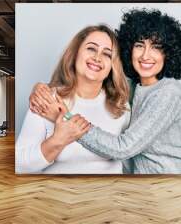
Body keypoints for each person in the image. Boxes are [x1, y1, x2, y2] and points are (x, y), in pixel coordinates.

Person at [31, 9, 181, 174]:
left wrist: (65, 118)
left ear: (169, 54)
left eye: (156, 47)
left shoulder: (169, 93)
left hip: (178, 183)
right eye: (139, 45)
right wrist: (43, 89)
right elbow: (93, 78)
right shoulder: (134, 87)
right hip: (149, 188)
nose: (145, 55)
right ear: (129, 49)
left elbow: (123, 148)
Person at [16, 24, 131, 174]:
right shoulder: (47, 99)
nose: (97, 57)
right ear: (76, 53)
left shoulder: (121, 106)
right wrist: (57, 141)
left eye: (107, 54)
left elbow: (130, 158)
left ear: (112, 66)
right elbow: (19, 163)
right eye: (91, 48)